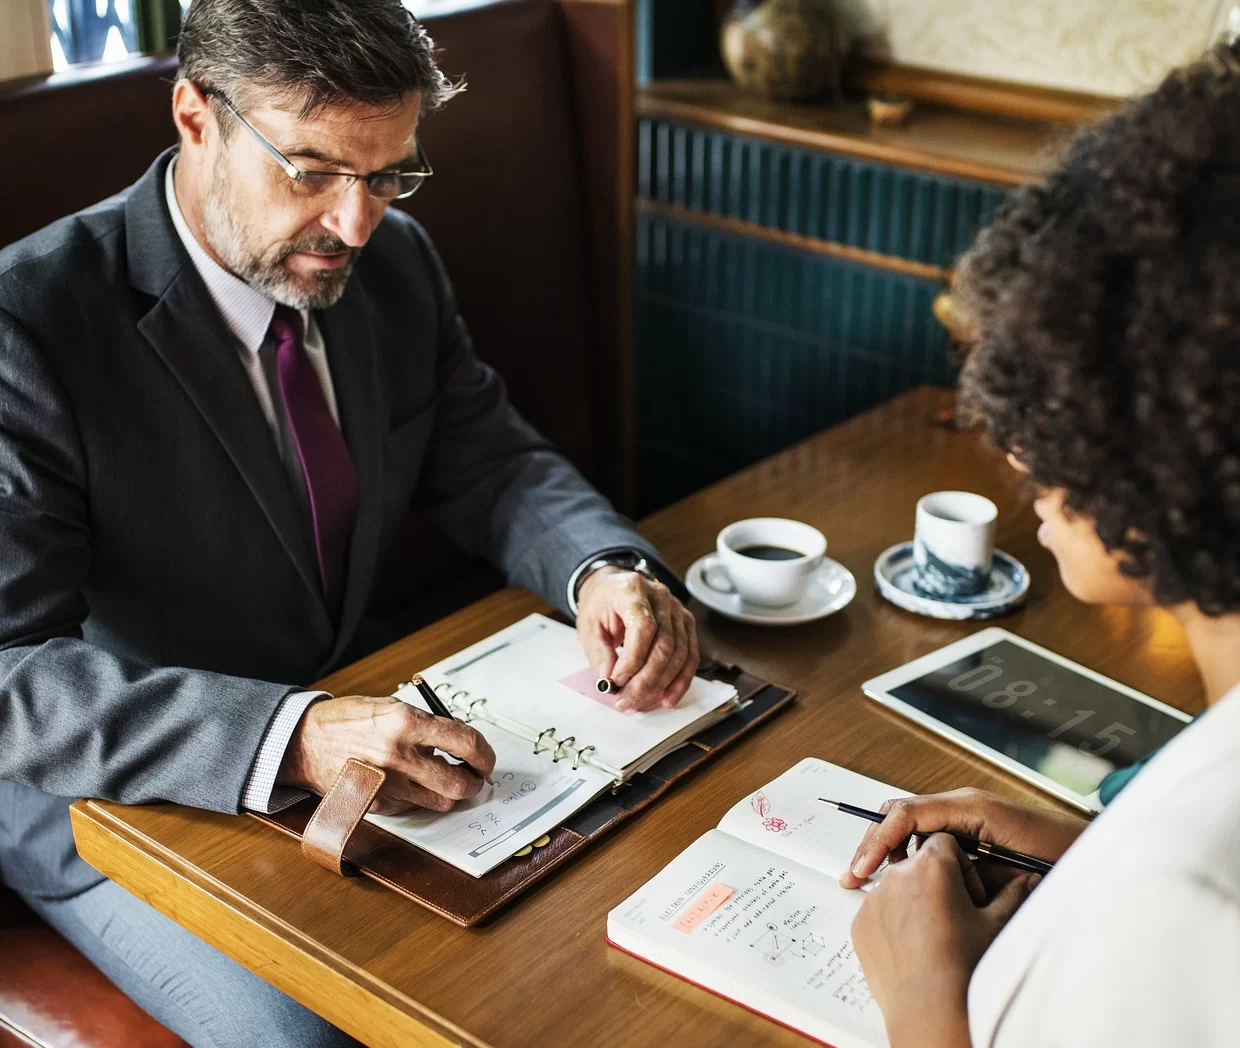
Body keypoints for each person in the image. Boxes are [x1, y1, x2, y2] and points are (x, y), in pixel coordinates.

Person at [0, 1, 698, 1043]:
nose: (355, 223)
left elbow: (493, 463)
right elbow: (12, 677)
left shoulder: (396, 265)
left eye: (387, 175)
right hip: (119, 809)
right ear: (197, 118)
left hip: (364, 724)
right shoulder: (28, 324)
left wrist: (601, 567)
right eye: (312, 169)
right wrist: (291, 733)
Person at [839, 42, 1240, 1048]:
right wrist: (1093, 852)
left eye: (1047, 403)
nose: (1012, 450)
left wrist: (920, 997)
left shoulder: (1188, 885)